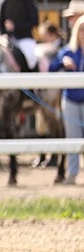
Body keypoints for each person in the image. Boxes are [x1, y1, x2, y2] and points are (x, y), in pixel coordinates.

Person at [48, 17, 84, 185]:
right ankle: (72, 173)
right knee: (72, 137)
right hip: (71, 100)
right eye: (81, 30)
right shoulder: (68, 51)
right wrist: (62, 62)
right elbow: (52, 67)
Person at [0, 0, 39, 71]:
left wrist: (15, 26)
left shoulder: (29, 0)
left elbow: (34, 21)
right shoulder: (6, 1)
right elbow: (1, 21)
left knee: (31, 59)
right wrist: (4, 33)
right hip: (9, 38)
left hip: (25, 38)